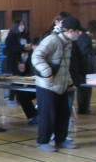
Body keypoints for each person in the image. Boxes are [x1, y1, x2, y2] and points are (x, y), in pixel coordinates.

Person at [31, 17, 81, 152]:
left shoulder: (68, 43)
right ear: (70, 31)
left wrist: (69, 83)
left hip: (61, 86)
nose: (79, 34)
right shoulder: (52, 40)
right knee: (48, 115)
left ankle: (61, 140)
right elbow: (36, 56)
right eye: (77, 31)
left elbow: (65, 65)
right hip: (46, 86)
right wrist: (47, 72)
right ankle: (43, 141)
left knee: (63, 114)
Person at [76, 22, 96, 115]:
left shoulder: (82, 37)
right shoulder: (85, 38)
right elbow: (85, 53)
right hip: (85, 68)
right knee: (85, 90)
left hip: (82, 67)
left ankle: (83, 108)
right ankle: (84, 109)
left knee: (82, 89)